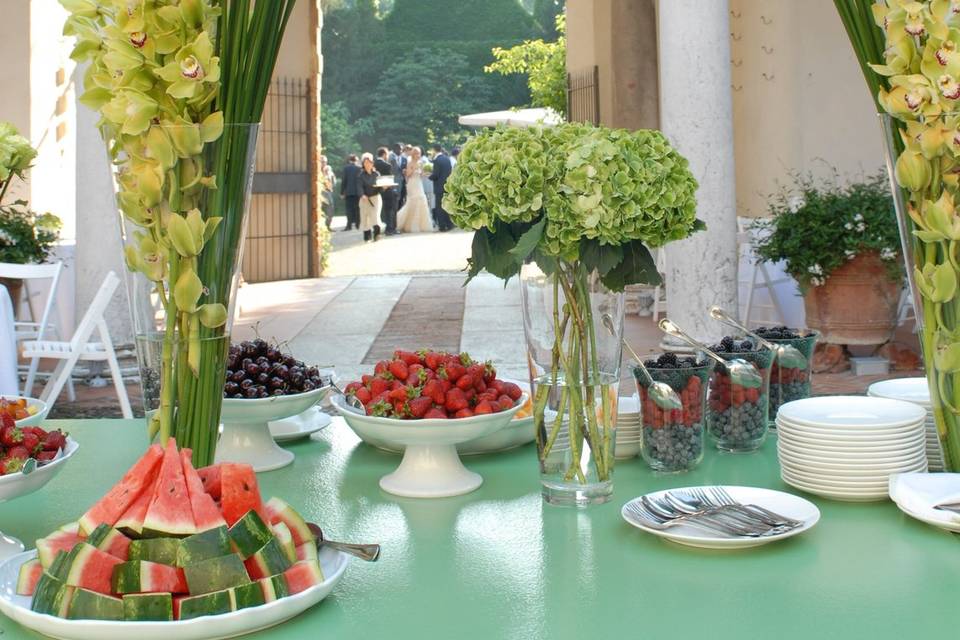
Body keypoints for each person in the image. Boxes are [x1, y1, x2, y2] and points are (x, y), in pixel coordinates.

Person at [396, 146, 432, 233]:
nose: (418, 155)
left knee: (421, 200)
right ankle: (408, 224)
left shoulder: (421, 162)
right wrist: (414, 168)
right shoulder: (410, 162)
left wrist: (426, 173)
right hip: (412, 184)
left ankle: (421, 225)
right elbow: (408, 174)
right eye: (416, 153)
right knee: (413, 201)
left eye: (419, 153)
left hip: (419, 183)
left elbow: (421, 174)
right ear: (413, 154)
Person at [358, 153, 382, 242]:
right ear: (363, 164)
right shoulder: (361, 175)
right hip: (365, 199)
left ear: (372, 163)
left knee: (375, 216)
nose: (367, 164)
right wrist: (362, 195)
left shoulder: (376, 174)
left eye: (369, 162)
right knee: (365, 218)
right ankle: (367, 237)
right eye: (365, 162)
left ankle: (377, 234)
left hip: (375, 198)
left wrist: (384, 187)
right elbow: (359, 187)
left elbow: (380, 187)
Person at [375, 147, 399, 235]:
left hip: (375, 191)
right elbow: (389, 179)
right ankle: (390, 228)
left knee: (379, 211)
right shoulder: (387, 165)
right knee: (390, 210)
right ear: (384, 154)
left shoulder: (373, 164)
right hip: (387, 189)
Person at [429, 144, 454, 232]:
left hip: (439, 187)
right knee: (447, 206)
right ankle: (449, 224)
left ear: (434, 150)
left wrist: (428, 176)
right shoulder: (447, 159)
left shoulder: (437, 160)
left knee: (439, 207)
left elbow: (435, 175)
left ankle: (442, 226)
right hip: (447, 186)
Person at [340, 154, 362, 231]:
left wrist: (342, 192)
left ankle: (349, 225)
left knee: (349, 209)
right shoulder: (359, 168)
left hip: (349, 192)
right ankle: (358, 224)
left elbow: (344, 181)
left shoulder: (346, 168)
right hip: (358, 192)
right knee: (358, 208)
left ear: (349, 160)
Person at [320, 155, 336, 230]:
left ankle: (328, 226)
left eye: (325, 162)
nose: (324, 164)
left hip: (328, 192)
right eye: (322, 162)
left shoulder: (329, 170)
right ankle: (320, 228)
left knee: (330, 209)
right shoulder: (317, 171)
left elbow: (333, 181)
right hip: (320, 193)